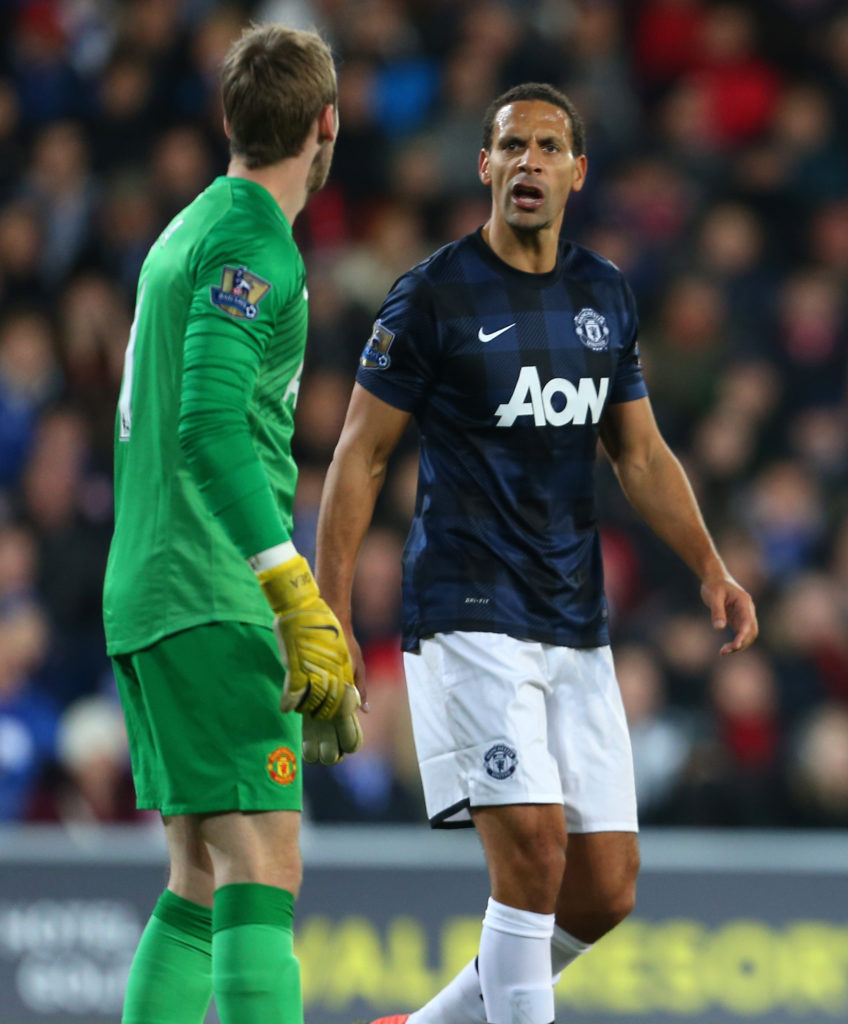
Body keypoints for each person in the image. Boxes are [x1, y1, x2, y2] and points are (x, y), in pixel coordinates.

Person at [314, 82, 758, 1024]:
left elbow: (638, 453)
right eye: (512, 145)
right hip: (469, 612)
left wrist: (712, 567)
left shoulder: (604, 293)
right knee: (535, 855)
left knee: (605, 890)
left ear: (577, 171)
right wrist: (332, 609)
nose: (530, 162)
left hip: (573, 619)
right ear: (484, 165)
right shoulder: (433, 293)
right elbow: (361, 456)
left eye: (550, 146)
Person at [102, 24, 361, 1024]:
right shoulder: (254, 242)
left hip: (153, 587)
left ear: (226, 119)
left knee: (199, 877)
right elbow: (208, 424)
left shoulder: (188, 230)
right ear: (326, 126)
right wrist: (290, 588)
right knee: (263, 860)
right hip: (212, 590)